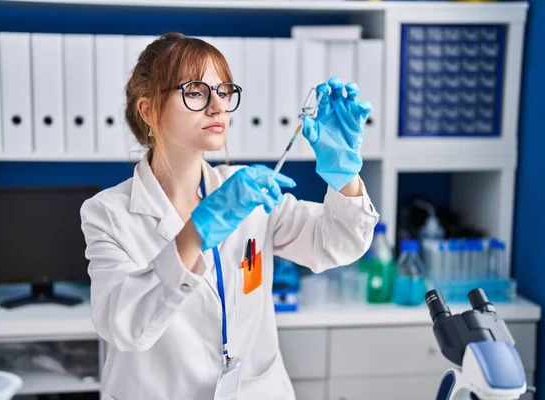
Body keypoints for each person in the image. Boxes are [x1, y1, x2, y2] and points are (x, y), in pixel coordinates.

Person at [80, 32, 379, 400]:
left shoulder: (245, 191)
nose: (217, 106)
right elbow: (124, 324)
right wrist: (197, 230)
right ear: (147, 109)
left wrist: (344, 173)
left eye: (223, 91)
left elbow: (337, 244)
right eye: (194, 91)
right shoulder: (107, 214)